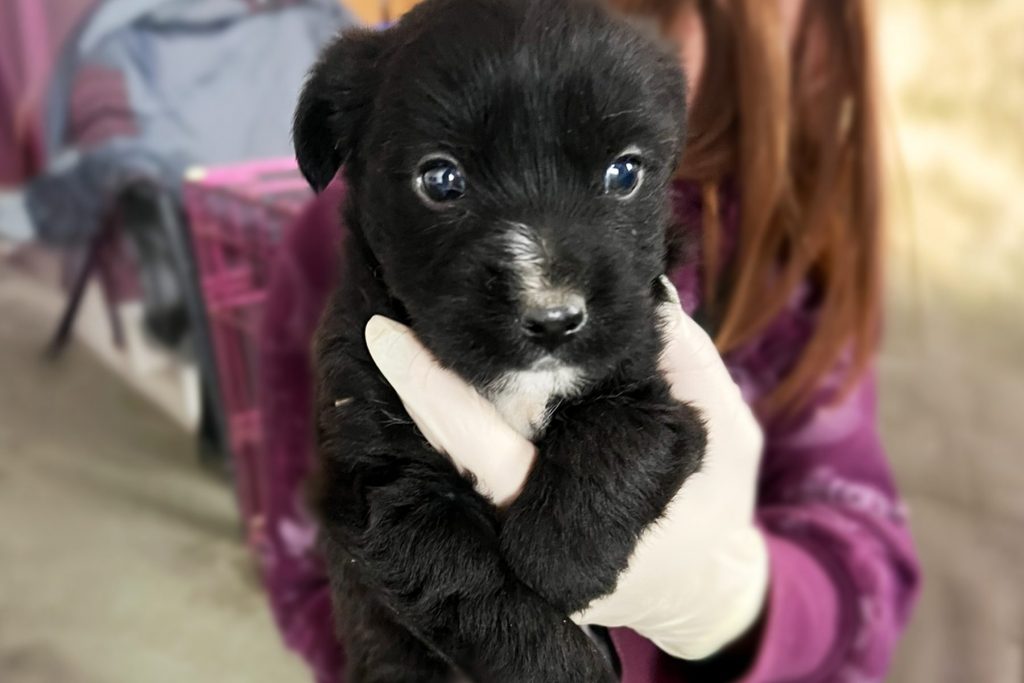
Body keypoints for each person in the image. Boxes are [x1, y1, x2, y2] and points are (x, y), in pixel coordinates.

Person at [258, 0, 921, 680]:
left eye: (621, 176)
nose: (548, 296)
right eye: (444, 181)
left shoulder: (783, 264)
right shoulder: (326, 265)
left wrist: (743, 606)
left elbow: (863, 564)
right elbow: (327, 542)